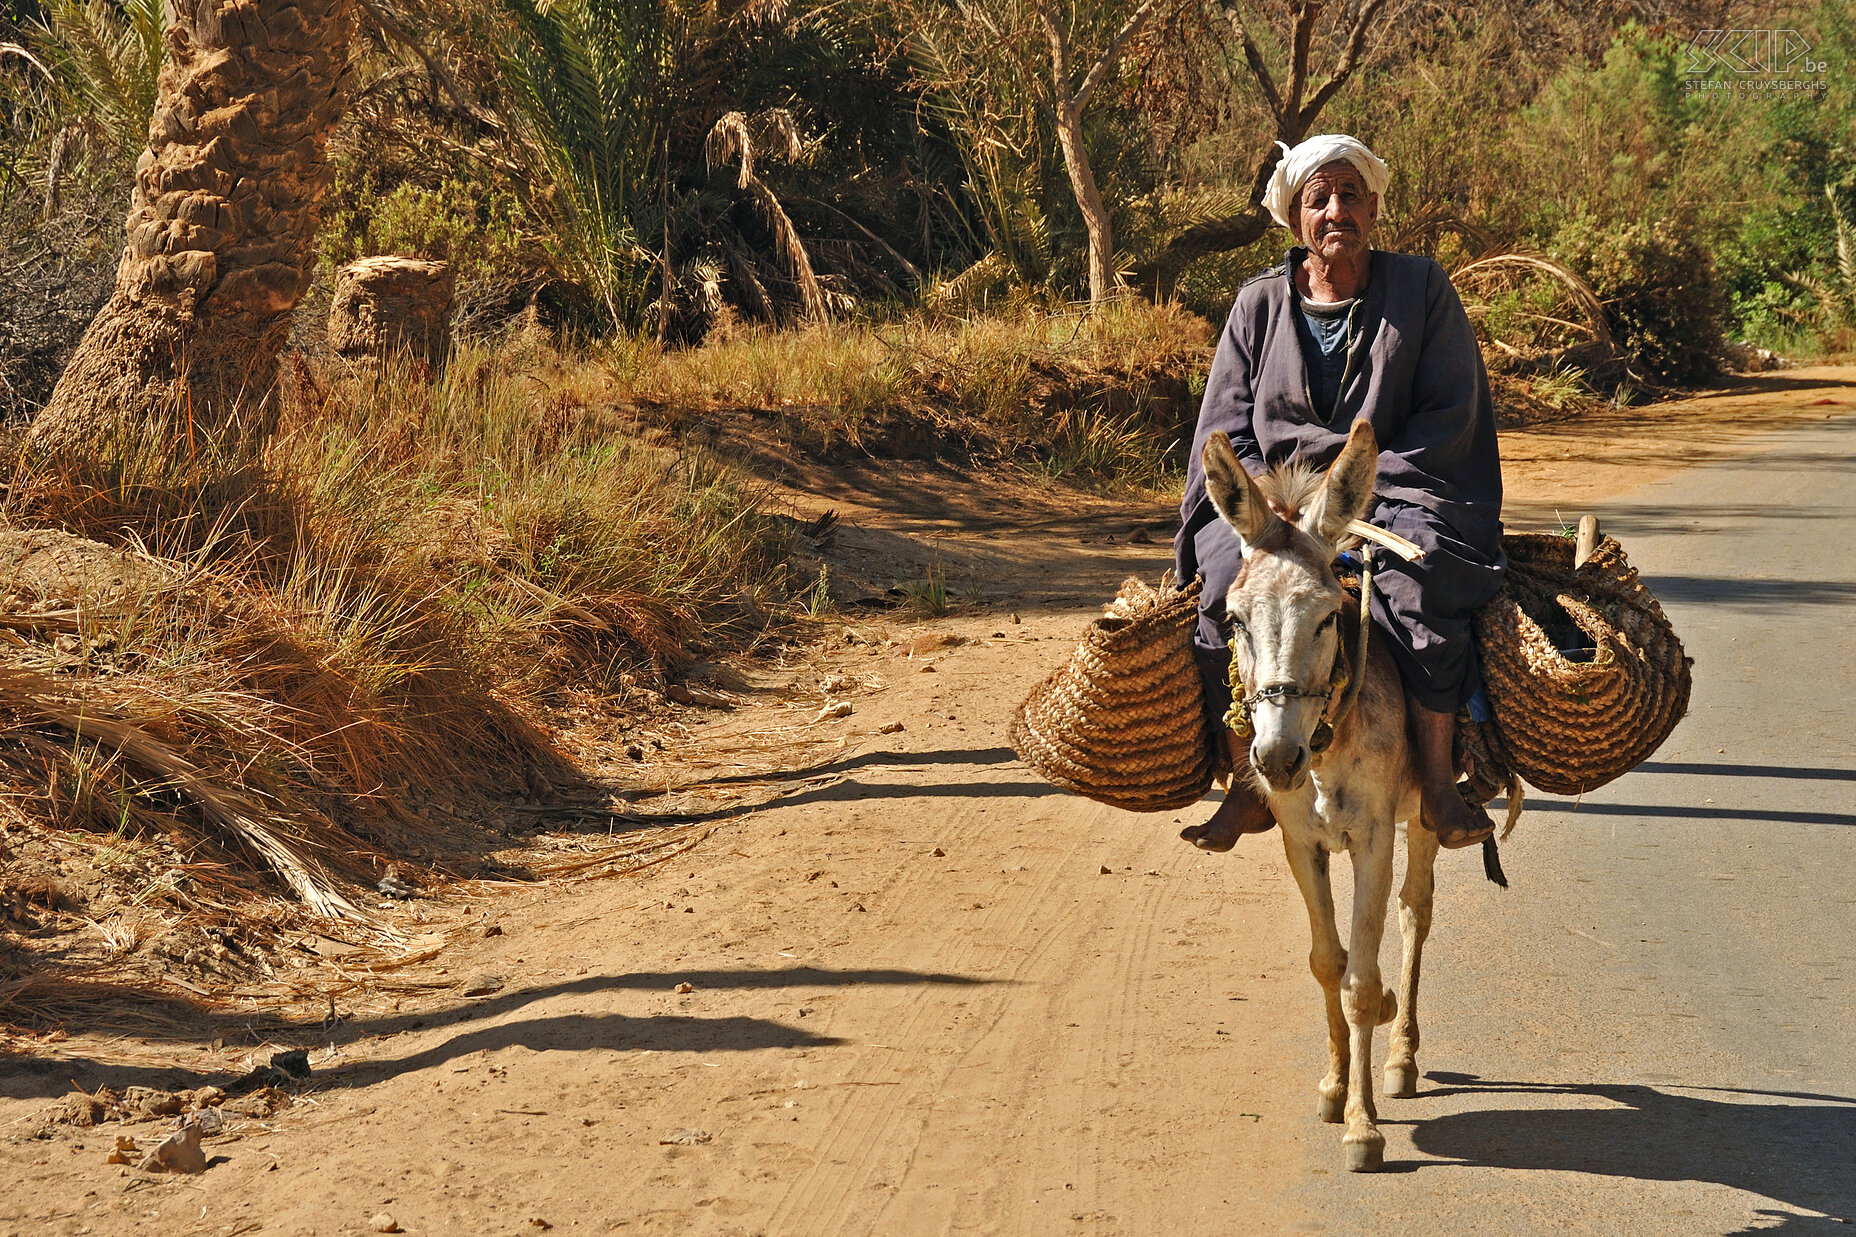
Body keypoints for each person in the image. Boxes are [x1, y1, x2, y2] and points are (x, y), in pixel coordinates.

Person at [1174, 133, 1506, 852]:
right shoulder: (1257, 305)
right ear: (1295, 217)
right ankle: (1245, 780)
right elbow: (1225, 426)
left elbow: (1450, 414)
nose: (1335, 211)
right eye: (1317, 198)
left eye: (1349, 195)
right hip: (1272, 509)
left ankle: (1441, 782)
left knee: (1414, 582)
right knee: (1221, 589)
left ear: (1375, 208)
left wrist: (1362, 499)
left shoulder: (1423, 290)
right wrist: (1273, 512)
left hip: (1391, 493)